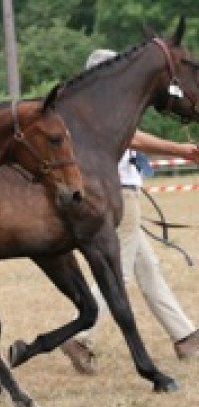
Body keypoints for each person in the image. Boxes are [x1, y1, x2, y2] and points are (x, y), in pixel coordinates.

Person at [60, 49, 199, 375]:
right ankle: (81, 337)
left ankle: (186, 336)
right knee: (116, 272)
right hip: (118, 192)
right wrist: (181, 150)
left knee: (147, 268)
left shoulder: (81, 106)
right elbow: (132, 138)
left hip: (117, 189)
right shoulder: (104, 109)